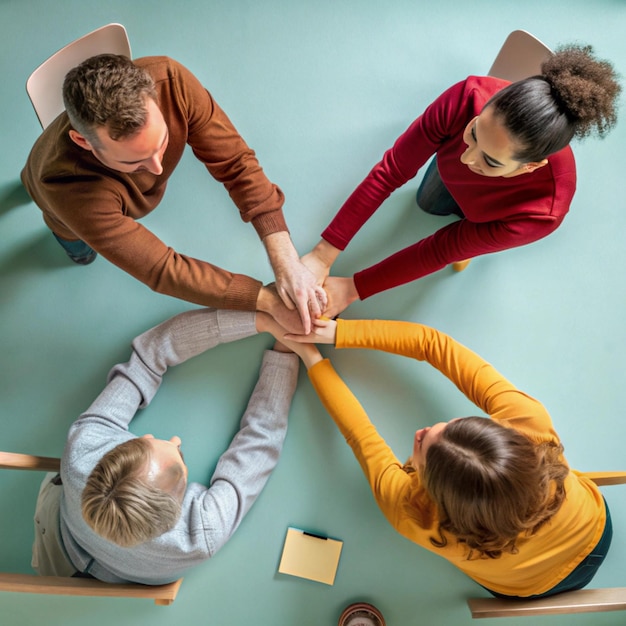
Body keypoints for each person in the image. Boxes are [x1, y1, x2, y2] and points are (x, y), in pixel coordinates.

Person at [280, 317, 612, 598]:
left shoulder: (413, 514)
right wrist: (338, 332)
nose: (422, 431)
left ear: (433, 493)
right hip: (595, 527)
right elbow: (434, 345)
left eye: (422, 448)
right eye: (447, 426)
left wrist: (309, 355)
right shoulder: (530, 422)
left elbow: (361, 436)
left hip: (534, 587)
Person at [301, 44, 621, 317]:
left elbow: (440, 249)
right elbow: (391, 171)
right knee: (427, 202)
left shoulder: (542, 214)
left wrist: (352, 289)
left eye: (491, 160)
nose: (467, 159)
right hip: (456, 181)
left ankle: (478, 237)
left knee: (461, 241)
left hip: (497, 214)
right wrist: (322, 255)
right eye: (473, 133)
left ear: (529, 168)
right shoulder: (468, 96)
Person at [21, 54, 324, 333]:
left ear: (154, 96)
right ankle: (73, 245)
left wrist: (287, 262)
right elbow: (163, 269)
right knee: (78, 247)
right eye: (133, 162)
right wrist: (265, 300)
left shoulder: (171, 80)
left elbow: (236, 164)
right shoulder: (67, 187)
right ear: (83, 141)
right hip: (59, 205)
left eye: (161, 143)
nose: (156, 169)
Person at [31, 307, 298, 584]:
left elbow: (150, 354)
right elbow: (261, 437)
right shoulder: (204, 532)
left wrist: (264, 320)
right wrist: (287, 346)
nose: (175, 440)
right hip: (68, 548)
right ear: (180, 505)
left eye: (143, 443)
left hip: (65, 545)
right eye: (180, 454)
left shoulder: (83, 450)